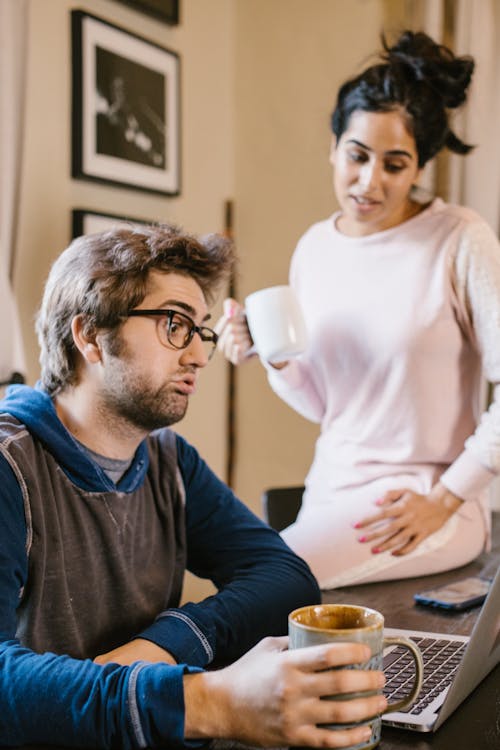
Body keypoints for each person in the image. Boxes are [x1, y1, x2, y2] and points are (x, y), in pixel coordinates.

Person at [0, 224, 387, 749]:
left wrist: (168, 643)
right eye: (174, 325)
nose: (201, 357)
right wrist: (212, 702)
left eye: (200, 331)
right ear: (89, 335)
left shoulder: (167, 458)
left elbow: (285, 576)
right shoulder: (9, 465)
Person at [216, 30, 500, 590]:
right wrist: (271, 358)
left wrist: (445, 499)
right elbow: (329, 405)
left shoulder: (460, 239)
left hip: (426, 502)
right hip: (330, 492)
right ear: (334, 146)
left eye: (395, 164)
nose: (369, 181)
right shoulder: (315, 248)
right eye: (357, 156)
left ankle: (129, 677)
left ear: (420, 167)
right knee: (248, 586)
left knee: (254, 589)